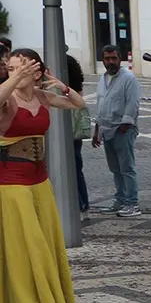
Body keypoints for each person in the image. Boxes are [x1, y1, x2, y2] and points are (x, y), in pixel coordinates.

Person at [0, 48, 88, 303]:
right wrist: (15, 79)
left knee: (45, 241)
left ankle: (48, 297)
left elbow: (78, 104)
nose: (15, 73)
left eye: (21, 68)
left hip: (39, 180)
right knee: (27, 245)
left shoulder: (42, 97)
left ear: (36, 71)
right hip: (11, 182)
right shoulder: (7, 99)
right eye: (11, 69)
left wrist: (62, 85)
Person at [92, 44, 142, 217]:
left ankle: (132, 203)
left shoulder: (129, 79)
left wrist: (125, 125)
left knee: (127, 168)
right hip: (106, 130)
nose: (110, 62)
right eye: (107, 58)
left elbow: (133, 103)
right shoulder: (103, 79)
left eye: (113, 58)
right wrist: (96, 130)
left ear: (119, 58)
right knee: (115, 169)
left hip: (122, 130)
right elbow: (100, 104)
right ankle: (120, 199)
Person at [66, 54, 91, 218]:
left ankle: (81, 204)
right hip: (75, 132)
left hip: (69, 130)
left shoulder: (62, 88)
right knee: (76, 168)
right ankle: (83, 205)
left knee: (73, 168)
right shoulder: (75, 83)